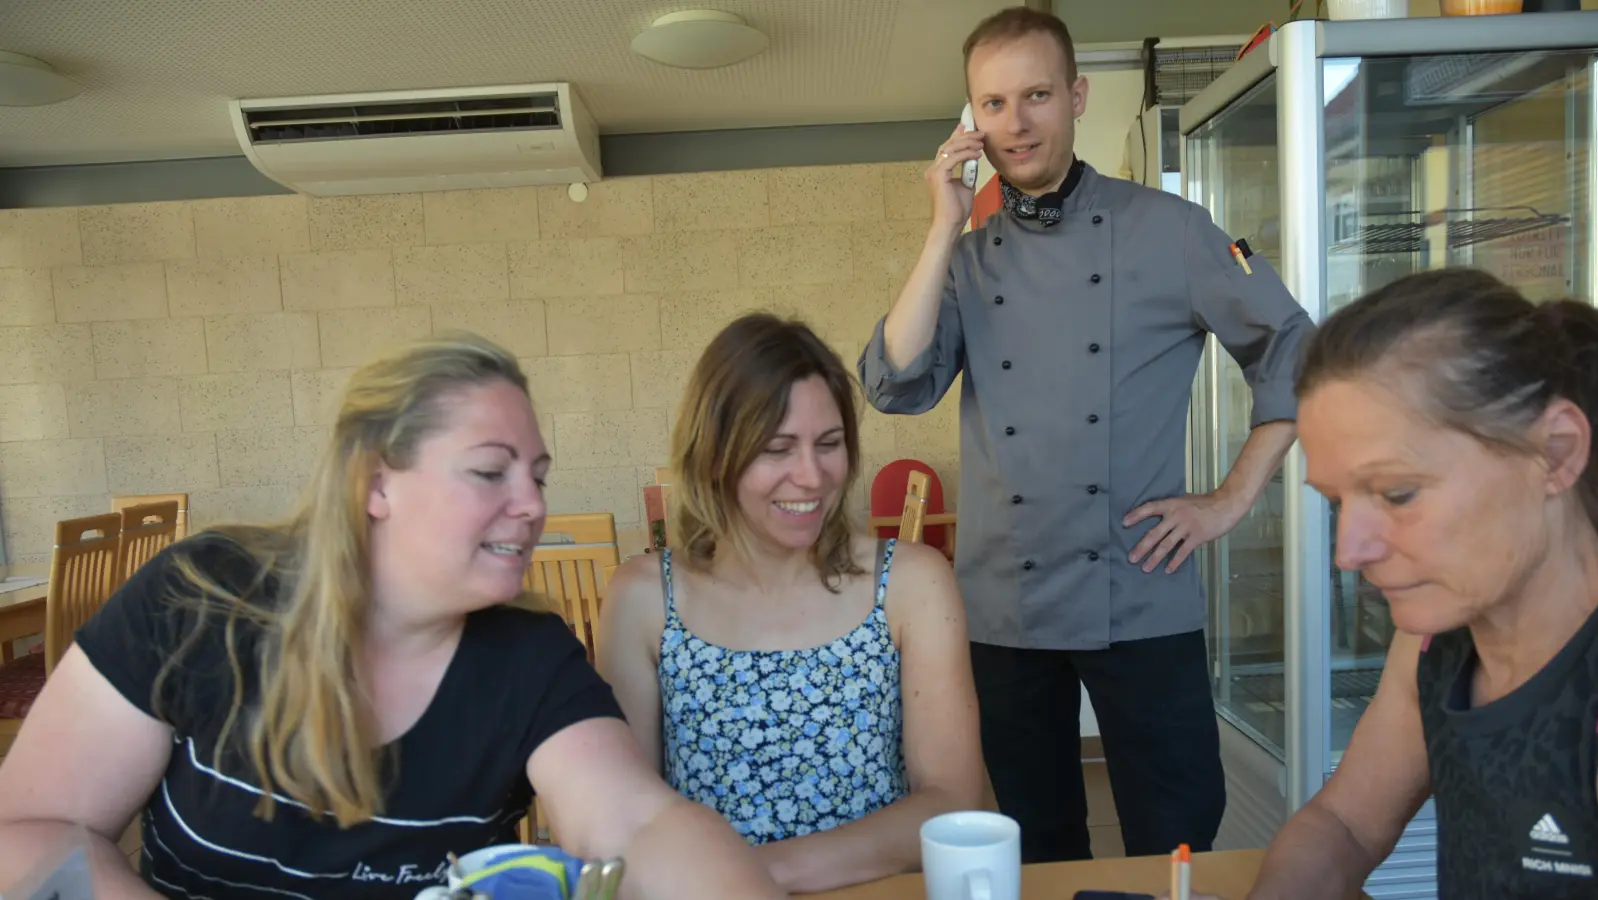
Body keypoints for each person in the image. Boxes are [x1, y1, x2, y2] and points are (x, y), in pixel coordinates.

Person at [0, 333, 785, 900]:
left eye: (538, 476)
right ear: (376, 484)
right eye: (490, 471)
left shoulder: (525, 656)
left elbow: (639, 825)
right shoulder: (202, 599)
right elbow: (29, 831)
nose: (535, 505)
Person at [858, 6, 1316, 863]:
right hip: (1004, 608)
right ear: (970, 121)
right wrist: (938, 228)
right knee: (1034, 841)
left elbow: (1294, 344)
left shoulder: (1171, 228)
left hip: (1142, 591)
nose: (1016, 122)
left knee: (1177, 830)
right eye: (991, 104)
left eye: (1035, 95)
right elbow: (894, 383)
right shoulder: (965, 258)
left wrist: (1230, 500)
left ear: (1076, 96)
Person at [1195, 268, 1598, 900]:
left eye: (1398, 493)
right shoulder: (1438, 643)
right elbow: (1345, 824)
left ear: (1554, 452)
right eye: (1336, 501)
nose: (1350, 553)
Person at [598, 313, 986, 894]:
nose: (811, 477)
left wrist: (753, 875)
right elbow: (620, 816)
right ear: (714, 455)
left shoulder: (910, 582)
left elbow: (951, 801)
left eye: (829, 445)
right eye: (777, 449)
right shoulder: (643, 600)